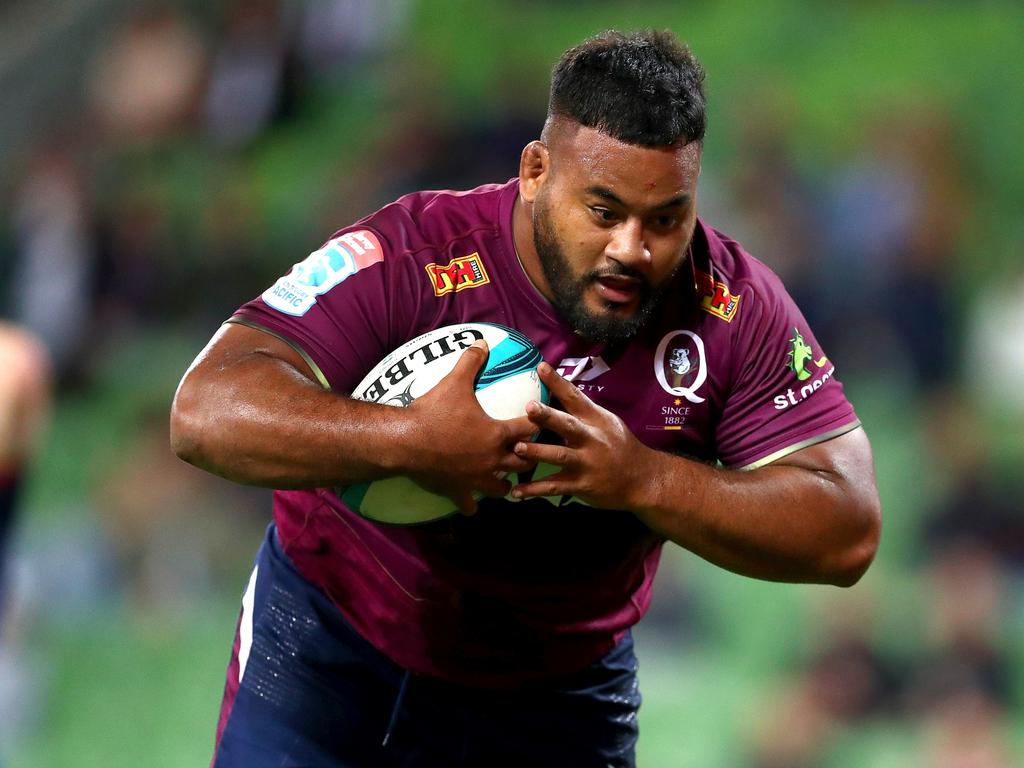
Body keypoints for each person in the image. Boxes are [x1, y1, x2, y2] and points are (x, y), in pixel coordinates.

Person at [171, 29, 881, 768]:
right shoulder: (413, 254)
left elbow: (848, 527)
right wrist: (410, 439)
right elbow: (205, 411)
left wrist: (640, 478)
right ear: (536, 171)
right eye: (604, 212)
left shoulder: (733, 306)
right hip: (329, 650)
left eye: (666, 219)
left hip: (558, 698)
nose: (632, 250)